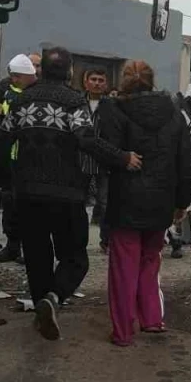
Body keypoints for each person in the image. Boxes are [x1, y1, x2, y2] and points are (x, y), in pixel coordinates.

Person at [2, 46, 140, 340]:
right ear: (69, 72)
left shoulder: (21, 101)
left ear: (42, 71)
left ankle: (43, 307)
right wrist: (122, 157)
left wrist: (7, 183)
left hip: (27, 194)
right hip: (66, 195)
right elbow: (87, 141)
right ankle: (54, 298)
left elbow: (3, 142)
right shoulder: (74, 102)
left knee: (37, 256)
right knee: (75, 257)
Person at [97, 59, 191, 345]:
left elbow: (105, 151)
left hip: (126, 201)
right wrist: (182, 202)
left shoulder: (113, 110)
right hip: (162, 201)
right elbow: (185, 163)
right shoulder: (175, 113)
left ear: (124, 80)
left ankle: (124, 331)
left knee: (124, 267)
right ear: (152, 80)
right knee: (150, 261)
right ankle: (152, 319)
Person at [0, 54, 38, 263]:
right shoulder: (5, 90)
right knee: (10, 204)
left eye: (16, 76)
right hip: (10, 157)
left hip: (30, 159)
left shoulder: (37, 94)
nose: (14, 80)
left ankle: (30, 249)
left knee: (30, 208)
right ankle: (12, 247)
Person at [81, 67, 112, 251]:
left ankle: (105, 241)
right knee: (78, 202)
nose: (97, 83)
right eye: (93, 79)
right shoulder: (77, 103)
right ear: (86, 82)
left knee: (105, 203)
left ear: (105, 84)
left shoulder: (111, 105)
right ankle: (77, 239)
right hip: (81, 160)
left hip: (104, 161)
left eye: (101, 80)